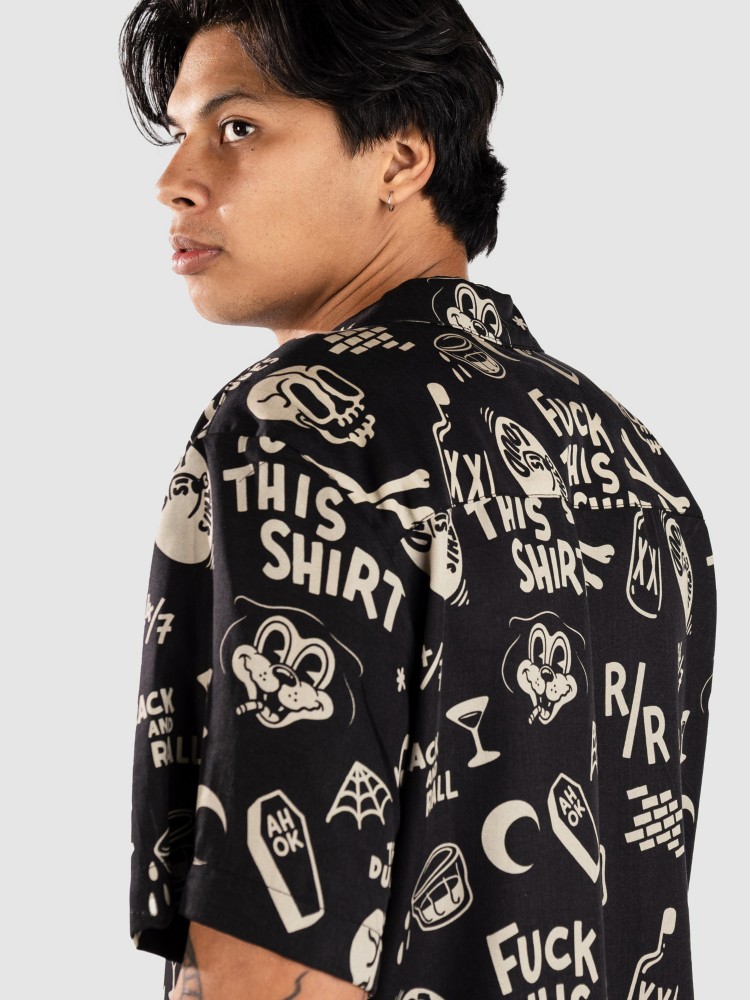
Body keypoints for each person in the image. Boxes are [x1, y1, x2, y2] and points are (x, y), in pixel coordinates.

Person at [119, 2, 717, 998]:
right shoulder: (638, 462)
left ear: (399, 160)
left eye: (238, 126)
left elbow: (277, 937)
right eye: (181, 133)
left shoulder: (297, 423)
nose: (174, 179)